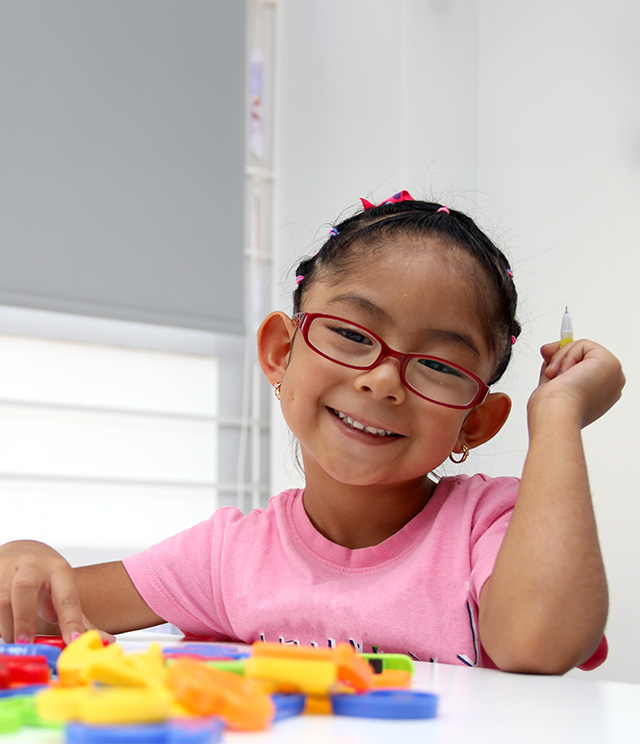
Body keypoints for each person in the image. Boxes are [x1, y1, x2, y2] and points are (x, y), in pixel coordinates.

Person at [0, 191, 625, 674]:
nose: (383, 382)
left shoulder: (491, 528)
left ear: (476, 423)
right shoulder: (226, 560)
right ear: (279, 352)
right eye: (353, 335)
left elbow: (540, 642)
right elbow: (39, 616)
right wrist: (23, 562)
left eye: (437, 365)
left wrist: (559, 416)